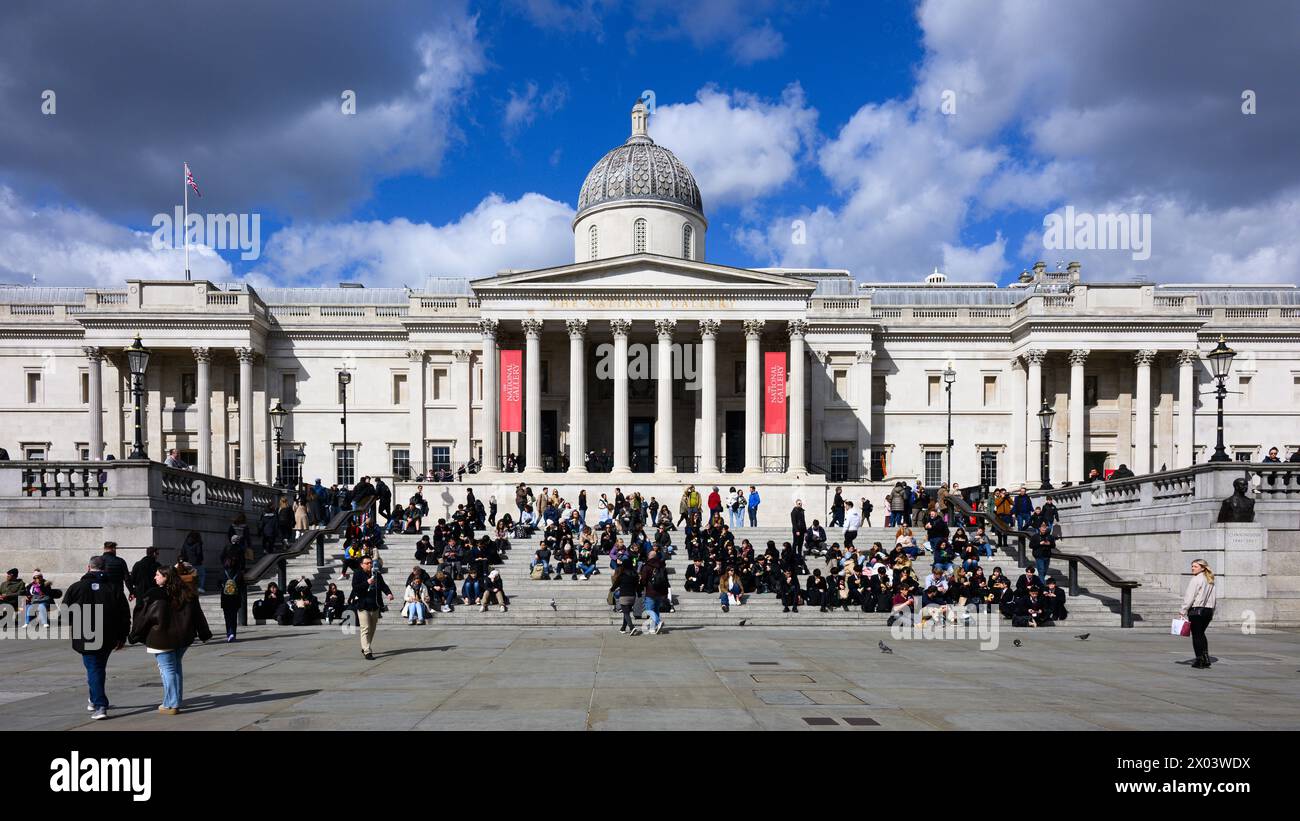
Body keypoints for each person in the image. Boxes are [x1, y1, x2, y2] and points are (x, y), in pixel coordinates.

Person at [129, 565, 212, 714]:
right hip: (183, 637)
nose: (155, 577)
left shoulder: (154, 594)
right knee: (175, 668)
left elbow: (144, 617)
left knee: (168, 670)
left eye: (158, 575)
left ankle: (171, 704)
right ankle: (175, 700)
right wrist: (204, 633)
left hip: (161, 638)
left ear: (166, 577)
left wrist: (134, 634)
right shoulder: (188, 593)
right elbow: (198, 615)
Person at [64, 555, 131, 720]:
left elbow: (65, 613)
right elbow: (124, 614)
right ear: (104, 569)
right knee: (96, 668)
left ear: (89, 568)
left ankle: (100, 705)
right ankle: (94, 699)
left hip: (86, 634)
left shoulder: (76, 587)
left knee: (94, 668)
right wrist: (122, 636)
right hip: (108, 634)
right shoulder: (114, 588)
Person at [351, 556, 393, 660]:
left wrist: (388, 593)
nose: (370, 565)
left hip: (375, 605)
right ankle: (367, 651)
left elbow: (383, 585)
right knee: (365, 628)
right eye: (367, 563)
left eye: (370, 562)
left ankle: (365, 645)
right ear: (361, 565)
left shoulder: (377, 574)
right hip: (363, 606)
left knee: (372, 629)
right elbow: (355, 588)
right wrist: (367, 583)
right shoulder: (357, 574)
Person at [1181, 559, 1217, 669]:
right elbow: (1214, 598)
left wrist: (1183, 610)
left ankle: (1199, 659)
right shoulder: (1210, 580)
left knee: (1197, 636)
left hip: (1197, 611)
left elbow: (1189, 597)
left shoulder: (1196, 579)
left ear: (1202, 568)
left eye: (1195, 566)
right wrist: (1212, 611)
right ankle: (1206, 658)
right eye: (1192, 566)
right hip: (1208, 611)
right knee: (1201, 634)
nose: (1192, 568)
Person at [639, 547, 669, 634]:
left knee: (649, 610)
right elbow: (665, 579)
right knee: (656, 610)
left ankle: (658, 622)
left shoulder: (647, 566)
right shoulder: (661, 565)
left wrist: (641, 585)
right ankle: (653, 628)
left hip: (650, 591)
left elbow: (644, 580)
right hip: (660, 591)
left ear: (649, 557)